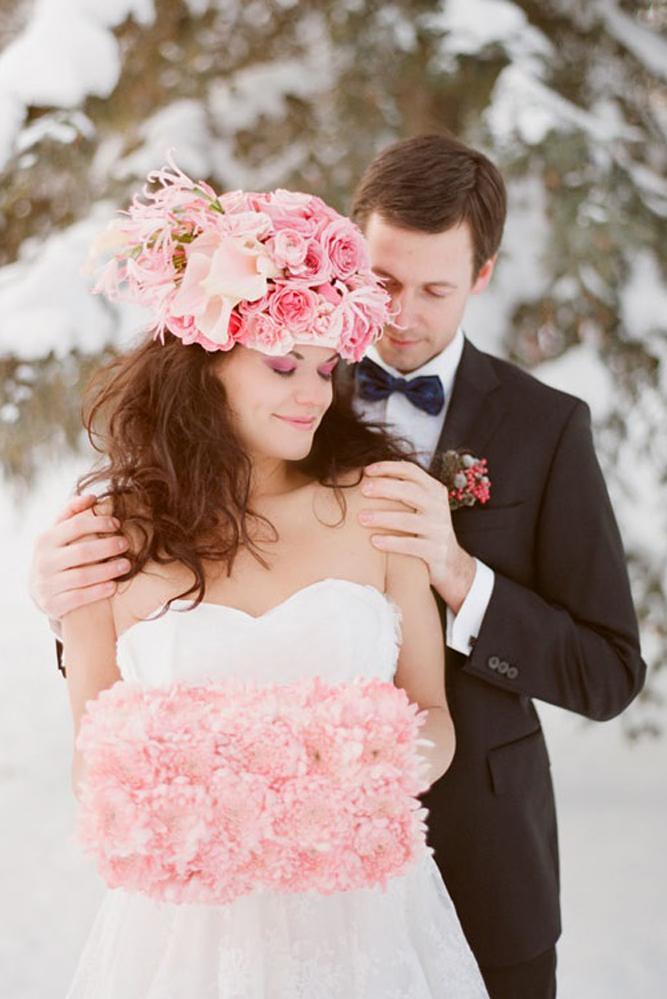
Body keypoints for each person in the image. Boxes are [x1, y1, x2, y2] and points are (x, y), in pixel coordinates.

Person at [30, 134, 646, 998]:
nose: (398, 314)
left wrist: (460, 577)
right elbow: (125, 679)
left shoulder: (544, 429)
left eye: (434, 289)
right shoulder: (290, 363)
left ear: (480, 275)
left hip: (472, 856)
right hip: (213, 910)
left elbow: (607, 671)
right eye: (383, 283)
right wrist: (63, 601)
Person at [56, 175, 489, 997]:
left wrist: (349, 777)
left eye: (327, 369)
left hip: (368, 927)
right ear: (203, 364)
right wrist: (213, 799)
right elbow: (92, 757)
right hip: (181, 941)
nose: (313, 394)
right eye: (285, 364)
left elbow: (431, 715)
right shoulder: (110, 534)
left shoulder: (380, 502)